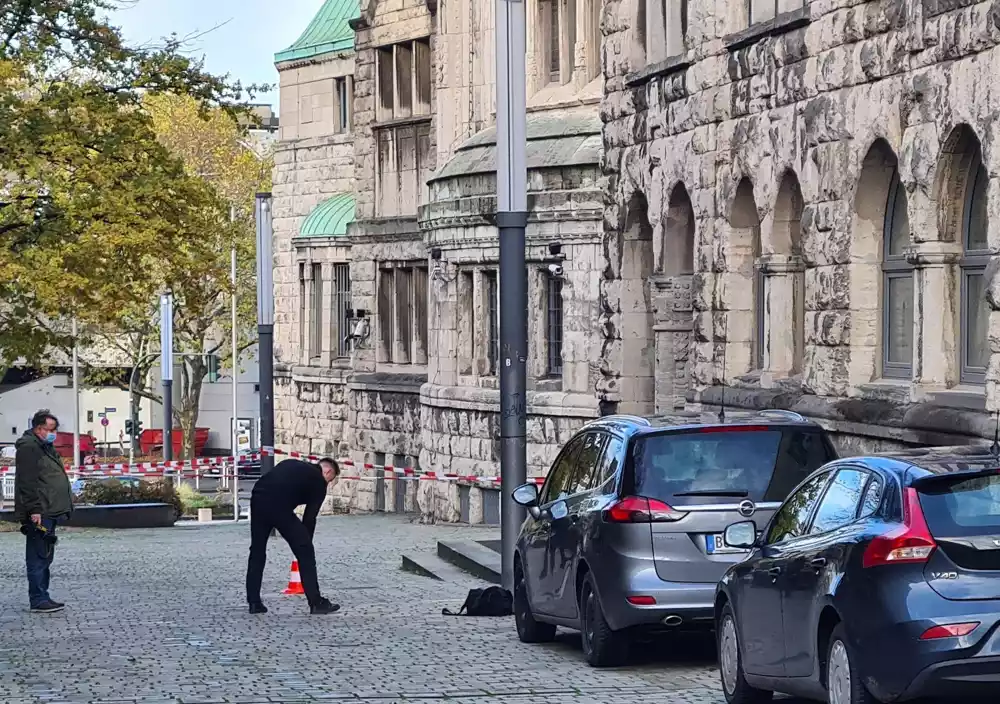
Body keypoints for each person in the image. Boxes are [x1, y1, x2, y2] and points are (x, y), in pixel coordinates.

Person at [245, 457, 341, 615]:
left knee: (257, 550)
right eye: (331, 480)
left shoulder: (291, 463)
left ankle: (254, 602)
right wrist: (304, 544)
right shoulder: (319, 481)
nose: (328, 484)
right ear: (328, 471)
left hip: (258, 497)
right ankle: (316, 603)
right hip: (280, 506)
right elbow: (309, 518)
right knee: (306, 552)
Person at [14, 410, 73, 614]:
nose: (54, 433)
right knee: (38, 555)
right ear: (39, 428)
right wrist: (34, 510)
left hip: (50, 509)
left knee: (45, 554)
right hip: (40, 511)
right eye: (50, 429)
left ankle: (43, 596)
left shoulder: (44, 446)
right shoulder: (29, 448)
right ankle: (38, 598)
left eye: (55, 429)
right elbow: (27, 482)